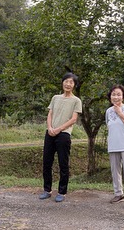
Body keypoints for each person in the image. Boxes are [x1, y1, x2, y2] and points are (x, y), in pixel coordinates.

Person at [39, 72, 82, 202]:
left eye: (71, 82)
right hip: (50, 133)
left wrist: (58, 129)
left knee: (63, 164)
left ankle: (62, 192)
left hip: (64, 134)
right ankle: (47, 190)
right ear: (62, 82)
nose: (68, 84)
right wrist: (50, 128)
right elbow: (50, 114)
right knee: (47, 162)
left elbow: (73, 119)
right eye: (66, 81)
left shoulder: (76, 101)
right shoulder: (55, 97)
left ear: (74, 85)